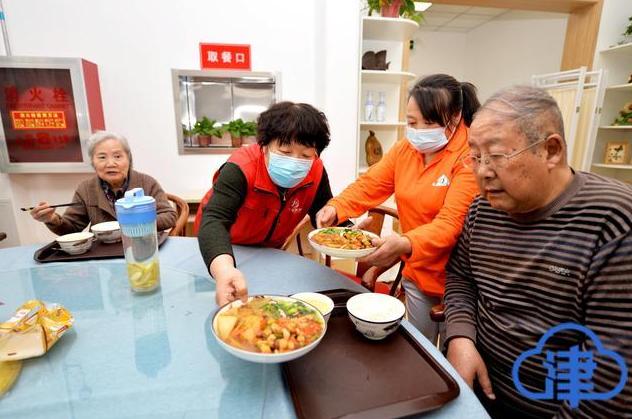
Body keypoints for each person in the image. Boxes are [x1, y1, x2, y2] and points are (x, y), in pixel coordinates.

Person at [444, 85, 632, 418]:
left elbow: (608, 379)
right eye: (475, 156)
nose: (483, 171)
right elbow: (461, 277)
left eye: (497, 155)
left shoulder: (613, 222)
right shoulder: (482, 208)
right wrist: (460, 338)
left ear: (551, 150)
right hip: (478, 390)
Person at [316, 74, 480, 341]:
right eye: (412, 122)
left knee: (454, 358)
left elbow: (451, 223)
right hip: (418, 271)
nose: (419, 130)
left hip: (460, 280)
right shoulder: (407, 148)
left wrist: (403, 242)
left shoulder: (471, 156)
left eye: (430, 122)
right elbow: (371, 183)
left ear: (456, 116)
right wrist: (337, 207)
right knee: (421, 347)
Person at [197, 102, 334, 306]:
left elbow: (322, 210)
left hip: (270, 252)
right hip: (224, 249)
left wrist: (347, 230)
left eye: (305, 155)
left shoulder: (316, 171)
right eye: (286, 151)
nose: (296, 161)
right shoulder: (241, 168)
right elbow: (214, 220)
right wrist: (224, 268)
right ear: (265, 145)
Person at [30, 131, 176, 234]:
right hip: (101, 253)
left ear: (128, 159)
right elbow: (72, 227)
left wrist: (136, 222)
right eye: (102, 157)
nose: (110, 163)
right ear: (93, 162)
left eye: (118, 156)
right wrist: (51, 219)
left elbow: (169, 216)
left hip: (141, 246)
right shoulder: (86, 189)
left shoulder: (146, 182)